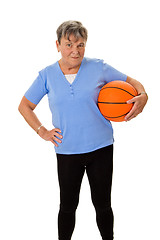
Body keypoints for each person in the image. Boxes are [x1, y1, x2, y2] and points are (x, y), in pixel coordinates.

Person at [18, 20, 148, 240]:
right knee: (67, 206)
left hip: (101, 147)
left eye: (80, 45)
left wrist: (143, 95)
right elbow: (24, 106)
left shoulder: (99, 67)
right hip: (67, 150)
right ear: (57, 45)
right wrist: (42, 131)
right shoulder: (46, 75)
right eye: (69, 44)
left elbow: (133, 83)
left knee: (103, 205)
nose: (75, 51)